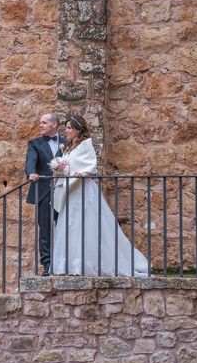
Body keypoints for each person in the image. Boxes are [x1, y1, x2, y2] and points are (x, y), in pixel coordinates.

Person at [52, 115, 149, 276]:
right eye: (66, 128)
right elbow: (69, 167)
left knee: (86, 226)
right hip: (71, 192)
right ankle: (70, 264)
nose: (66, 131)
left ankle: (86, 264)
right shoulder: (68, 148)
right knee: (72, 226)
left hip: (83, 191)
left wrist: (79, 172)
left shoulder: (85, 145)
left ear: (77, 129)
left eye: (69, 128)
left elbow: (90, 167)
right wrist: (60, 167)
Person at [25, 113, 68, 276]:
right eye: (40, 123)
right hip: (44, 191)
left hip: (64, 191)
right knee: (45, 230)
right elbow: (30, 160)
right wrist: (31, 173)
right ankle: (47, 265)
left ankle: (66, 261)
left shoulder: (66, 143)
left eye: (44, 123)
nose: (40, 125)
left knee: (65, 226)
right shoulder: (34, 143)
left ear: (55, 124)